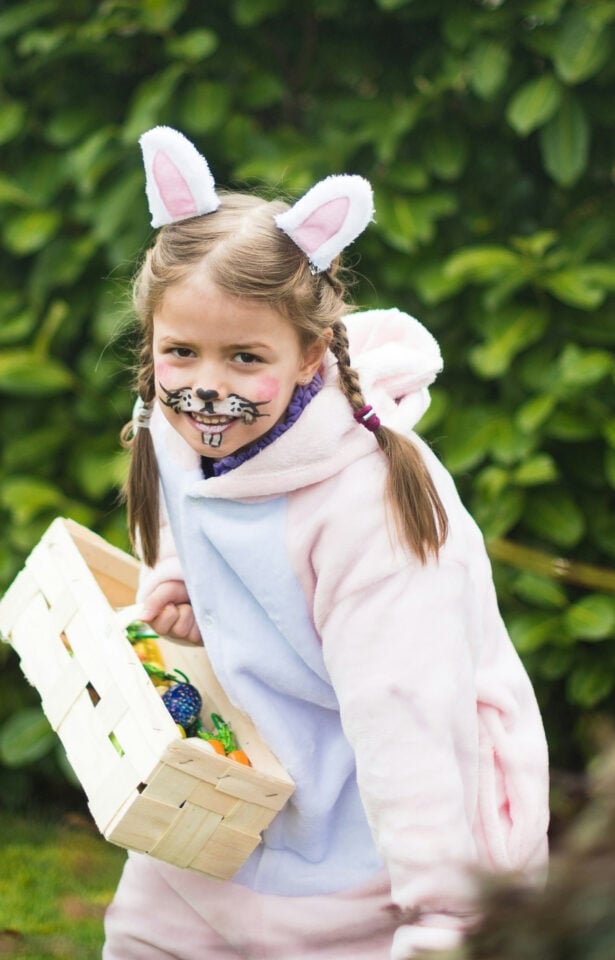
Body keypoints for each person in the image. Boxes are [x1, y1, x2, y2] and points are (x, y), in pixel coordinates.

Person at [103, 126, 549, 960]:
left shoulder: (365, 511)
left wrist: (444, 915)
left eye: (245, 357)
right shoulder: (184, 427)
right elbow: (191, 508)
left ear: (310, 356)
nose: (209, 388)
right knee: (147, 938)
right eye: (182, 353)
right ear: (152, 348)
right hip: (248, 785)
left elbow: (408, 718)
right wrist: (183, 576)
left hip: (387, 836)